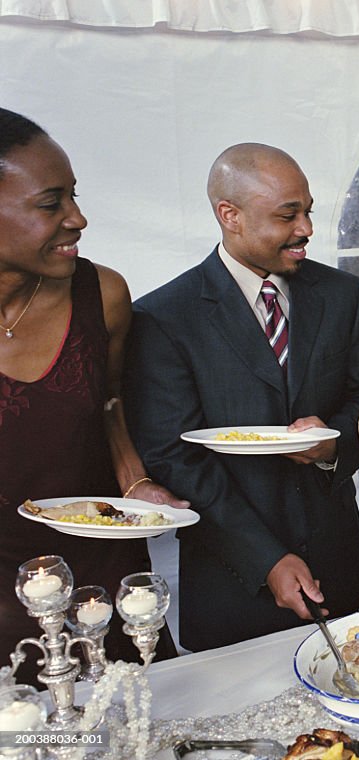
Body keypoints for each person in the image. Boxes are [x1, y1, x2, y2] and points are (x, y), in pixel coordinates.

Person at [124, 143, 359, 651]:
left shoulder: (343, 294)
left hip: (338, 569)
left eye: (308, 210)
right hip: (233, 584)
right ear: (230, 216)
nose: (307, 228)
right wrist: (265, 559)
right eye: (289, 215)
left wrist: (334, 446)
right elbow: (172, 455)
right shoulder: (163, 317)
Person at [0, 108, 183, 678]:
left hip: (101, 572)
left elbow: (108, 405)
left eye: (73, 197)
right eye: (51, 203)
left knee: (134, 720)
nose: (78, 219)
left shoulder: (101, 293)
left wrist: (138, 484)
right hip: (3, 582)